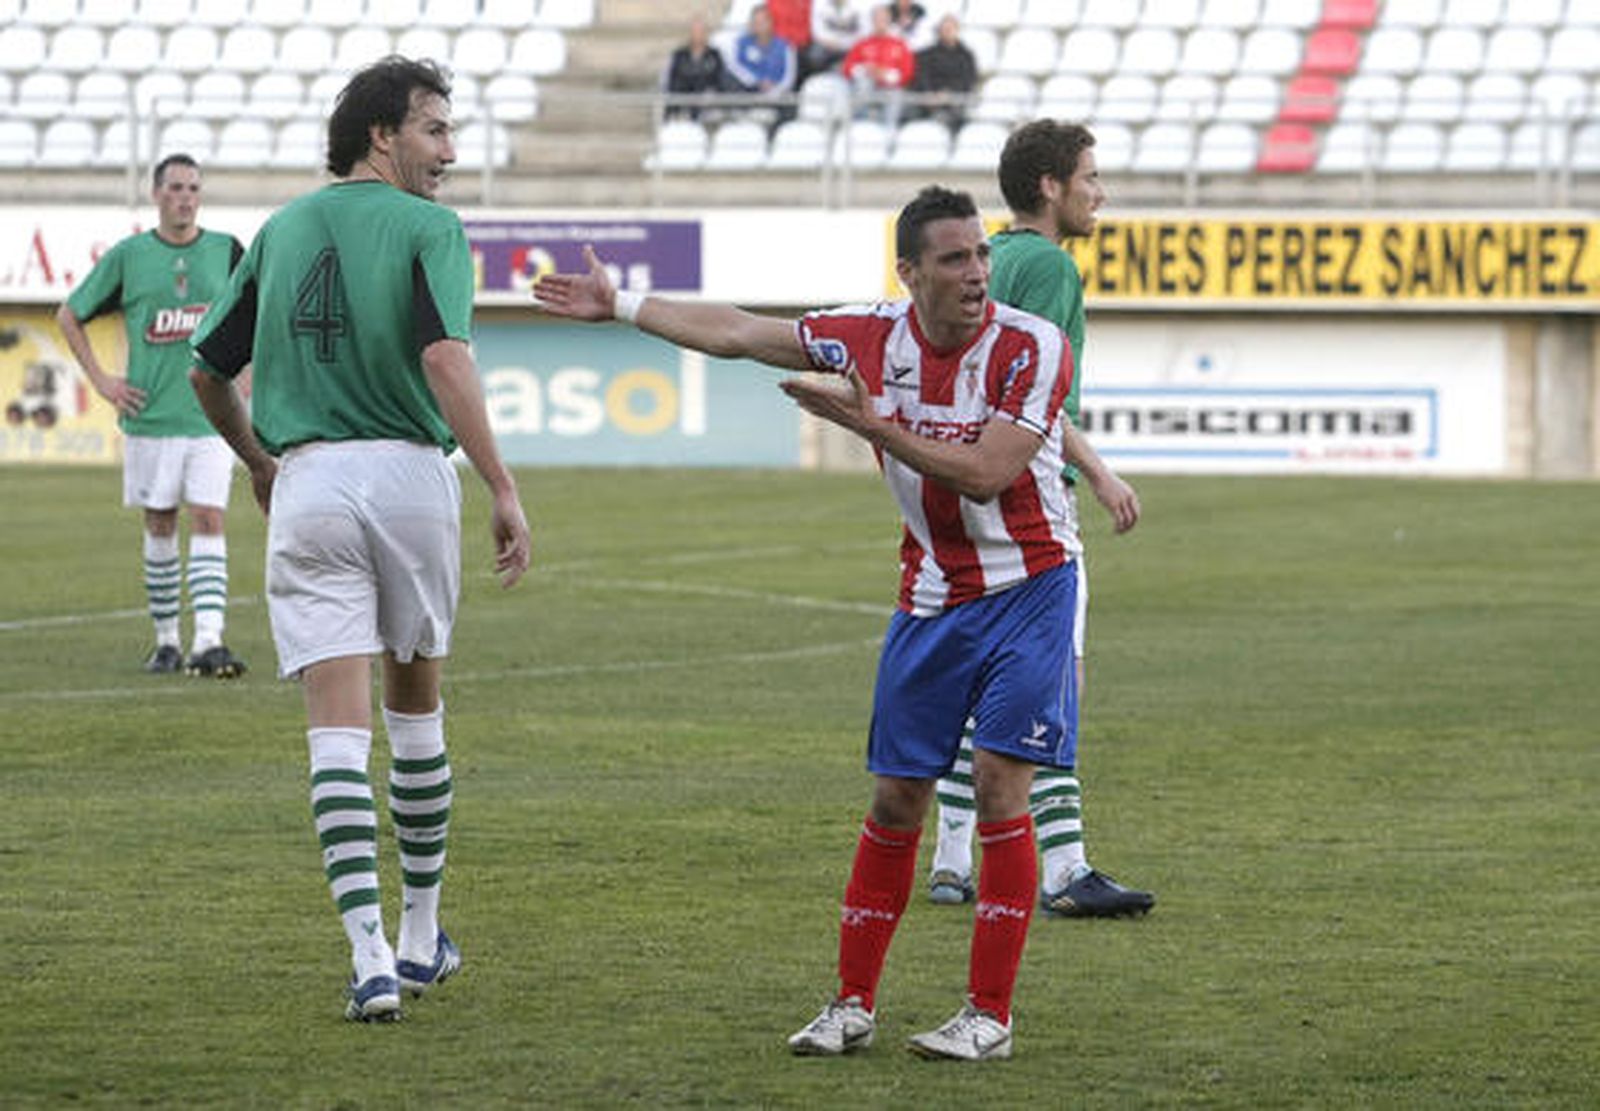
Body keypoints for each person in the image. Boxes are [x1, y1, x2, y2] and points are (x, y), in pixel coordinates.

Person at [535, 186, 1084, 1062]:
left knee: (996, 787)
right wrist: (627, 306)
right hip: (933, 594)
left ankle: (989, 1014)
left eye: (980, 254)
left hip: (1033, 590)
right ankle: (852, 1003)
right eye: (954, 258)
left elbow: (988, 472)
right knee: (896, 796)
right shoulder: (869, 334)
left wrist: (873, 426)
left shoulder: (1030, 344)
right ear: (908, 272)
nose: (977, 272)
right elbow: (744, 333)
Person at [188, 55, 531, 1024]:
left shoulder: (282, 227)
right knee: (414, 709)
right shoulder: (430, 228)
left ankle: (370, 954)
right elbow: (443, 356)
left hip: (307, 481)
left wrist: (258, 460)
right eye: (433, 129)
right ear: (381, 133)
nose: (450, 152)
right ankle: (423, 933)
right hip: (410, 476)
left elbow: (209, 374)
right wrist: (501, 485)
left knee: (334, 731)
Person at [928, 120, 1154, 920]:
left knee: (984, 687)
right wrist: (1096, 471)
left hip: (966, 498)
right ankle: (1065, 867)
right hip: (1030, 501)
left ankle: (952, 855)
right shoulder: (1051, 267)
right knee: (1054, 685)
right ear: (1051, 187)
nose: (1101, 192)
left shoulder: (990, 259)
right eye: (1091, 176)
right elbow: (1036, 396)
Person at [56, 153, 249, 679]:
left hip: (210, 416)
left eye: (193, 188)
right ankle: (166, 641)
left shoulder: (226, 251)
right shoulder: (129, 256)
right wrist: (102, 381)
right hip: (149, 417)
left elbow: (256, 311)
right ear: (157, 194)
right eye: (176, 188)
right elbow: (70, 314)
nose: (186, 196)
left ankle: (209, 640)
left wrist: (245, 374)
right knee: (159, 520)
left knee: (209, 515)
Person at [842, 4, 916, 130]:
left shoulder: (899, 44)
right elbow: (847, 68)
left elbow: (908, 72)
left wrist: (886, 75)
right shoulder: (862, 43)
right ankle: (859, 127)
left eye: (884, 19)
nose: (880, 23)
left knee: (895, 96)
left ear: (889, 21)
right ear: (872, 21)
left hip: (889, 89)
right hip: (867, 87)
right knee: (862, 86)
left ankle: (888, 133)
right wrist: (865, 70)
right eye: (877, 19)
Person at [726, 3, 798, 122]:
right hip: (750, 91)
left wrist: (774, 90)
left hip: (777, 94)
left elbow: (789, 76)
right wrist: (757, 81)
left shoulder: (785, 46)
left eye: (762, 22)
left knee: (789, 103)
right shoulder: (741, 43)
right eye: (755, 22)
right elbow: (734, 67)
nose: (759, 26)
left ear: (770, 23)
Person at [910, 14, 977, 130]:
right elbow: (921, 76)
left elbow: (968, 79)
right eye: (944, 29)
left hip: (954, 101)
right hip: (927, 101)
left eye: (950, 29)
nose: (947, 32)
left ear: (957, 30)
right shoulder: (927, 54)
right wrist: (929, 94)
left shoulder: (966, 56)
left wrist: (947, 94)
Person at [663, 15, 728, 121]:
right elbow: (672, 81)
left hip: (708, 104)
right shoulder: (679, 55)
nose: (698, 35)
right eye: (695, 31)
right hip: (684, 103)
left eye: (702, 31)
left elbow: (720, 80)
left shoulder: (715, 55)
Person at [805, 0, 867, 80]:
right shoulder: (819, 2)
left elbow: (864, 32)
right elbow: (816, 30)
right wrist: (831, 42)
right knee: (814, 55)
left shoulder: (863, 4)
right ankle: (818, 83)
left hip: (852, 46)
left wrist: (845, 44)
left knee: (867, 55)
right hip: (827, 45)